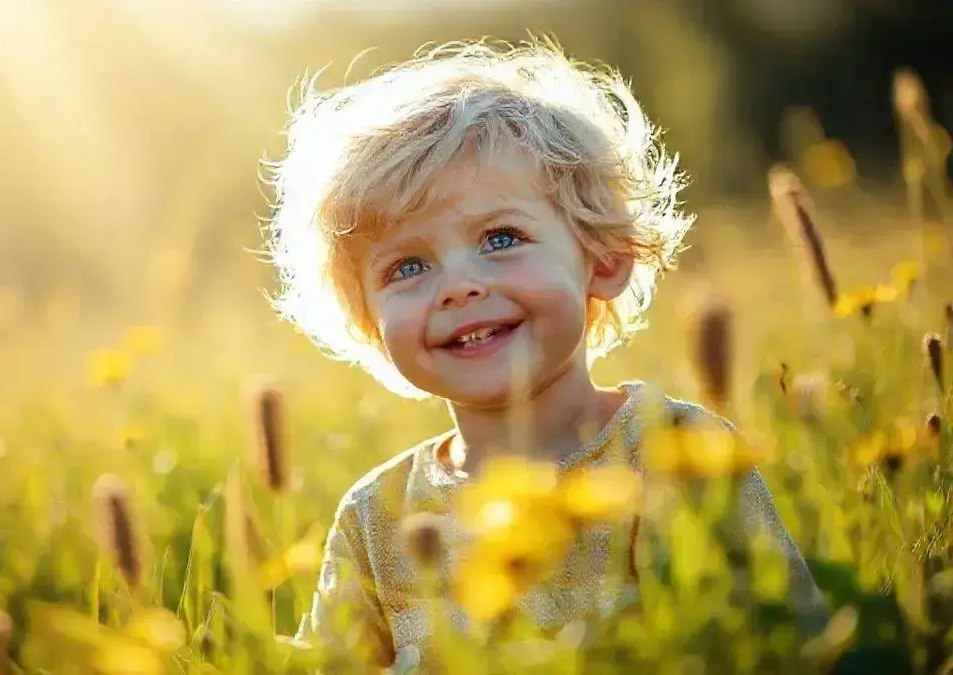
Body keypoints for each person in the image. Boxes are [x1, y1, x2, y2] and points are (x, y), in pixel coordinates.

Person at [260, 36, 825, 670]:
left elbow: (790, 643)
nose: (458, 286)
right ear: (370, 325)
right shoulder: (376, 518)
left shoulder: (677, 455)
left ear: (604, 259)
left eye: (501, 238)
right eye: (408, 265)